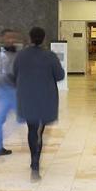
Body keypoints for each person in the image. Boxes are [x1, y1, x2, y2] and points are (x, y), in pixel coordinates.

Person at [13, 26, 65, 180]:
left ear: (30, 38)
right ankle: (35, 162)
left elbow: (15, 73)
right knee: (39, 131)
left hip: (27, 96)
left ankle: (33, 161)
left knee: (31, 129)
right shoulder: (50, 56)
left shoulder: (21, 55)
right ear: (43, 39)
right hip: (45, 97)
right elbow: (60, 75)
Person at [0, 29, 20, 156]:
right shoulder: (0, 54)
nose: (11, 40)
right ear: (2, 38)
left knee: (22, 117)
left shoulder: (16, 53)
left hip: (14, 90)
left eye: (12, 37)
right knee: (0, 119)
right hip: (4, 91)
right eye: (8, 37)